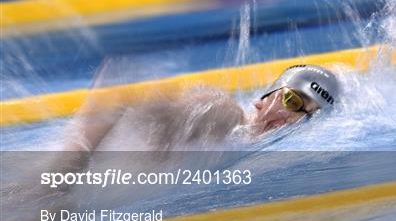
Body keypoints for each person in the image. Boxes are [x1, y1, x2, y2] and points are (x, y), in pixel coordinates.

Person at [59, 64, 339, 171]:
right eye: (291, 101)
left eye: (306, 116)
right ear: (266, 97)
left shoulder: (246, 147)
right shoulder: (223, 113)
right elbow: (123, 96)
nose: (292, 119)